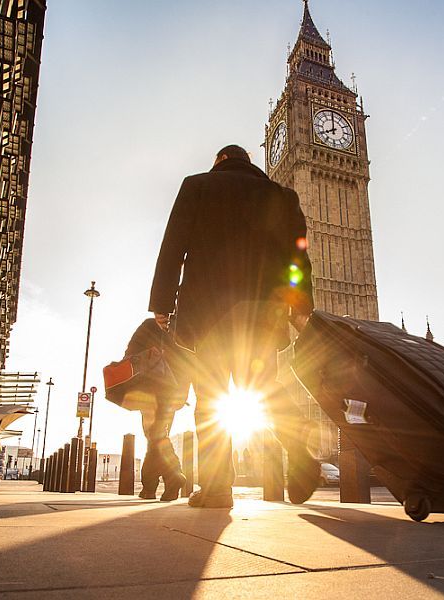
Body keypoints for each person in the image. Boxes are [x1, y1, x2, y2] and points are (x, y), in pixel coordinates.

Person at [149, 144, 318, 509]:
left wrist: (162, 305)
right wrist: (301, 306)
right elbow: (298, 255)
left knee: (210, 397)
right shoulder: (282, 196)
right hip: (263, 310)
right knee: (262, 387)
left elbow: (172, 247)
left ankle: (217, 489)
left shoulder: (197, 186)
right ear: (248, 163)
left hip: (210, 311)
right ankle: (300, 446)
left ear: (220, 161)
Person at [121, 317, 189, 501]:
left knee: (155, 435)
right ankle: (153, 486)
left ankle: (171, 477)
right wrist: (184, 392)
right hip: (173, 392)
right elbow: (190, 361)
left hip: (151, 389)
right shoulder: (184, 326)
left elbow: (130, 353)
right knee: (157, 435)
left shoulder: (150, 325)